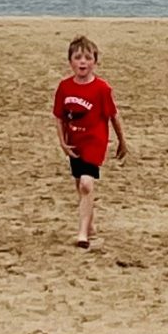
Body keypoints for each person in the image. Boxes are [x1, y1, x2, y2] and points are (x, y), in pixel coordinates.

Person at [53, 35, 127, 249]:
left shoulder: (102, 88)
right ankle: (91, 224)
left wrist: (122, 140)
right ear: (70, 62)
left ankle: (83, 233)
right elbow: (58, 116)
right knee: (79, 184)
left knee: (87, 184)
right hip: (74, 141)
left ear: (95, 62)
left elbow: (113, 115)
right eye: (78, 57)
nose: (83, 62)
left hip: (95, 141)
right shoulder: (65, 87)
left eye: (87, 58)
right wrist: (62, 142)